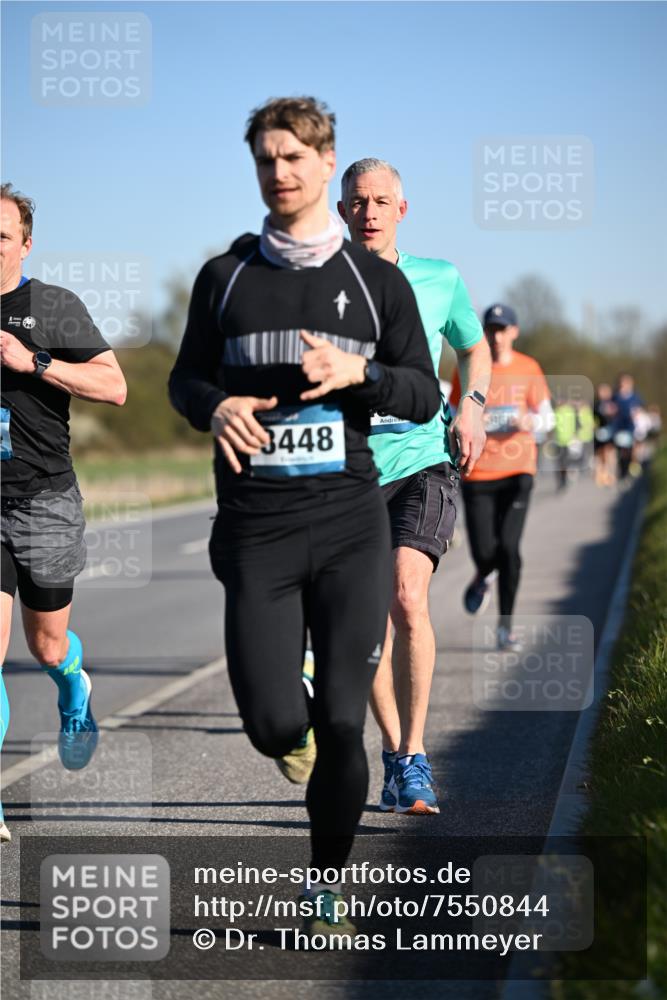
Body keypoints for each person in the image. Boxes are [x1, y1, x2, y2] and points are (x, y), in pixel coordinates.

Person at [168, 98, 440, 935]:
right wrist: (215, 406)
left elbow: (423, 393)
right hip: (256, 526)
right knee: (274, 722)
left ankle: (325, 886)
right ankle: (291, 732)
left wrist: (361, 375)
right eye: (265, 159)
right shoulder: (226, 277)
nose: (279, 172)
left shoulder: (375, 282)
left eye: (294, 157)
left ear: (326, 163)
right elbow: (184, 380)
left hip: (350, 524)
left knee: (345, 722)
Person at [337, 158, 490, 815]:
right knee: (366, 621)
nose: (368, 212)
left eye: (380, 201)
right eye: (357, 201)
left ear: (401, 209)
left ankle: (415, 753)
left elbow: (473, 348)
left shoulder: (439, 278)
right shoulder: (318, 284)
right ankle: (395, 753)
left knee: (406, 595)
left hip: (423, 459)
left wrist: (473, 404)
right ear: (341, 210)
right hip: (347, 472)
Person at [0, 183, 127, 843]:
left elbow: (114, 386)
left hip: (44, 500)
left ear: (25, 244)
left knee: (46, 645)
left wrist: (34, 362)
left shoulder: (52, 307)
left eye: (0, 237)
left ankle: (73, 686)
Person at [450, 304, 553, 652]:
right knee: (484, 552)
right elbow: (454, 412)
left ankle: (505, 628)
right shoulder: (467, 367)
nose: (495, 336)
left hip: (518, 470)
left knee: (509, 548)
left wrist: (530, 422)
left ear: (514, 332)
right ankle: (484, 573)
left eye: (502, 329)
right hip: (477, 471)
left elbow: (547, 418)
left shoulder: (528, 367)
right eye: (491, 329)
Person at [611, 373, 645, 483]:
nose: (624, 384)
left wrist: (636, 413)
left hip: (630, 427)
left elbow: (640, 408)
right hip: (618, 426)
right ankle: (621, 471)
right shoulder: (615, 396)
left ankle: (627, 470)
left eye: (627, 382)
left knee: (628, 450)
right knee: (619, 450)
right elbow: (611, 408)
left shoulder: (635, 396)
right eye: (622, 382)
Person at [593, 382, 617, 487]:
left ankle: (610, 475)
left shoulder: (614, 403)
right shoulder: (596, 405)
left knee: (610, 453)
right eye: (601, 391)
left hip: (611, 432)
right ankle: (601, 475)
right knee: (600, 454)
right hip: (599, 433)